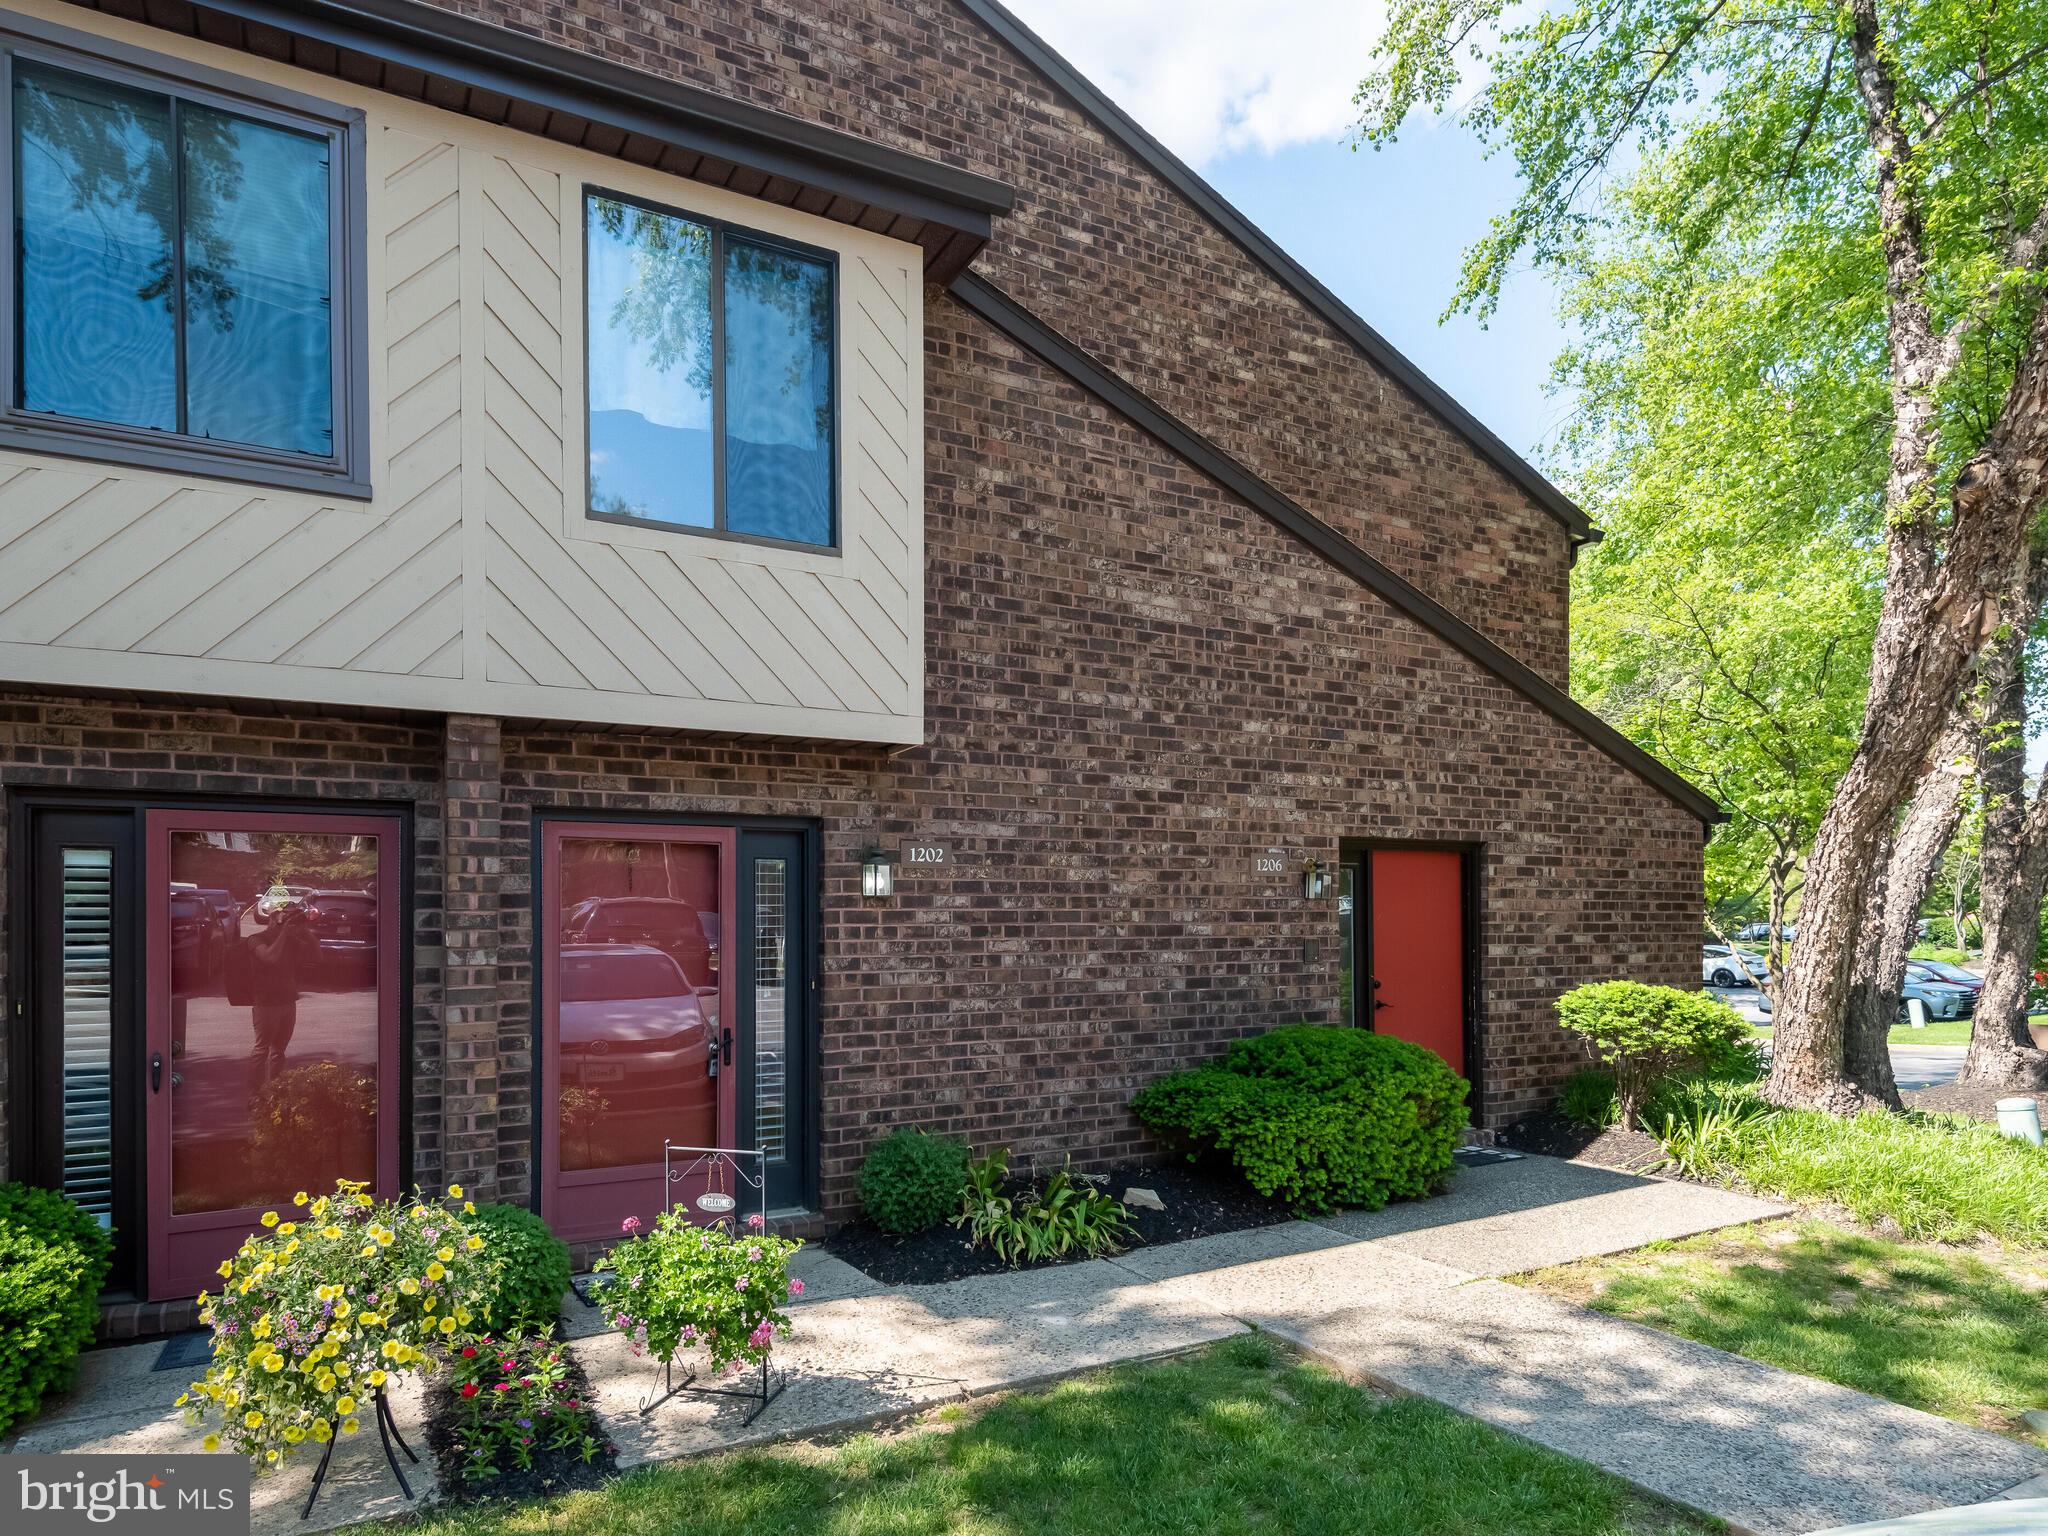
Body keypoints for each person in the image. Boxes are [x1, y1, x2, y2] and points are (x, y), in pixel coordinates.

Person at [243, 891, 315, 1092]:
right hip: (266, 1003)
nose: (287, 918)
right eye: (284, 913)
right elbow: (270, 958)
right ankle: (255, 1094)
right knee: (261, 1050)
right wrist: (284, 933)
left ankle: (274, 1092)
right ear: (273, 917)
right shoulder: (256, 939)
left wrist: (304, 930)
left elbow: (316, 955)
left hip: (288, 1001)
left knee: (279, 1051)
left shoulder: (291, 940)